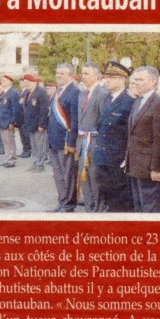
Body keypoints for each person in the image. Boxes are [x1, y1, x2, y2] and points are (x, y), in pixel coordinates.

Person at [126, 66, 160, 212]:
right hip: (135, 166)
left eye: (140, 80)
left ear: (152, 82)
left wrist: (157, 168)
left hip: (150, 168)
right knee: (139, 208)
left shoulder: (158, 104)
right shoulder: (138, 101)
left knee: (151, 209)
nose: (136, 83)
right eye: (135, 80)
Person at [93, 61, 135, 212]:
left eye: (111, 77)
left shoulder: (129, 101)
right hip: (103, 156)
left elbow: (131, 134)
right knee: (108, 196)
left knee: (122, 200)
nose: (107, 80)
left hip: (118, 159)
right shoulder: (106, 99)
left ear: (122, 79)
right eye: (106, 77)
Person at [48, 63, 79, 212]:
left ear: (70, 76)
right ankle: (61, 201)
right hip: (54, 139)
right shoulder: (58, 91)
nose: (58, 75)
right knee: (58, 174)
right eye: (57, 73)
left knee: (68, 175)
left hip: (65, 141)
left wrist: (71, 142)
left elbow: (74, 120)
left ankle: (69, 204)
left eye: (62, 73)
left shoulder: (74, 92)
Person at [77, 62, 108, 212]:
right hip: (82, 142)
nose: (83, 77)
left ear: (97, 76)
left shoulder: (102, 94)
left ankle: (98, 212)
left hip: (94, 143)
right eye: (82, 73)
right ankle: (89, 210)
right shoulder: (82, 94)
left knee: (96, 180)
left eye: (87, 74)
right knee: (84, 179)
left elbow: (104, 122)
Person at [22, 74, 49, 173]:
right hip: (30, 124)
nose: (26, 84)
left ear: (33, 82)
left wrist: (42, 124)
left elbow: (44, 110)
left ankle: (40, 165)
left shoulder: (40, 91)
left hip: (38, 124)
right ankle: (35, 163)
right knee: (34, 146)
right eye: (25, 82)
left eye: (28, 82)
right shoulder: (27, 92)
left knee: (40, 145)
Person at [0, 75, 20, 168]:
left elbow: (15, 109)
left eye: (4, 80)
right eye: (2, 80)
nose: (2, 82)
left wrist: (12, 122)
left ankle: (12, 160)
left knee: (10, 141)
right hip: (2, 120)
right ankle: (7, 158)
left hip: (8, 121)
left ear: (10, 82)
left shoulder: (13, 93)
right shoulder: (4, 92)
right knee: (5, 141)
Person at [17, 76, 32, 159]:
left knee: (26, 135)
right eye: (20, 82)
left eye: (23, 82)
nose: (21, 84)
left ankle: (28, 150)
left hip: (25, 117)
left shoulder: (27, 92)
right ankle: (24, 149)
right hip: (20, 117)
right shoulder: (20, 92)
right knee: (22, 135)